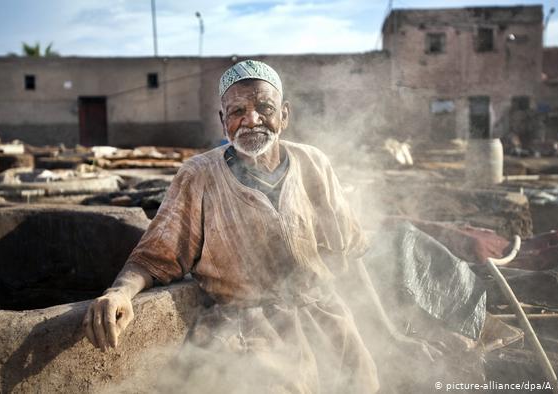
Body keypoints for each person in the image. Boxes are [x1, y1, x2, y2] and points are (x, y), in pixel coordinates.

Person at [83, 60, 437, 393]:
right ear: (224, 121)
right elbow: (152, 258)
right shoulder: (198, 175)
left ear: (284, 115)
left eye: (265, 108)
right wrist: (120, 292)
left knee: (361, 383)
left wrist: (390, 335)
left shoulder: (313, 164)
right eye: (237, 111)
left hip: (325, 319)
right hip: (245, 330)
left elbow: (350, 254)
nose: (251, 120)